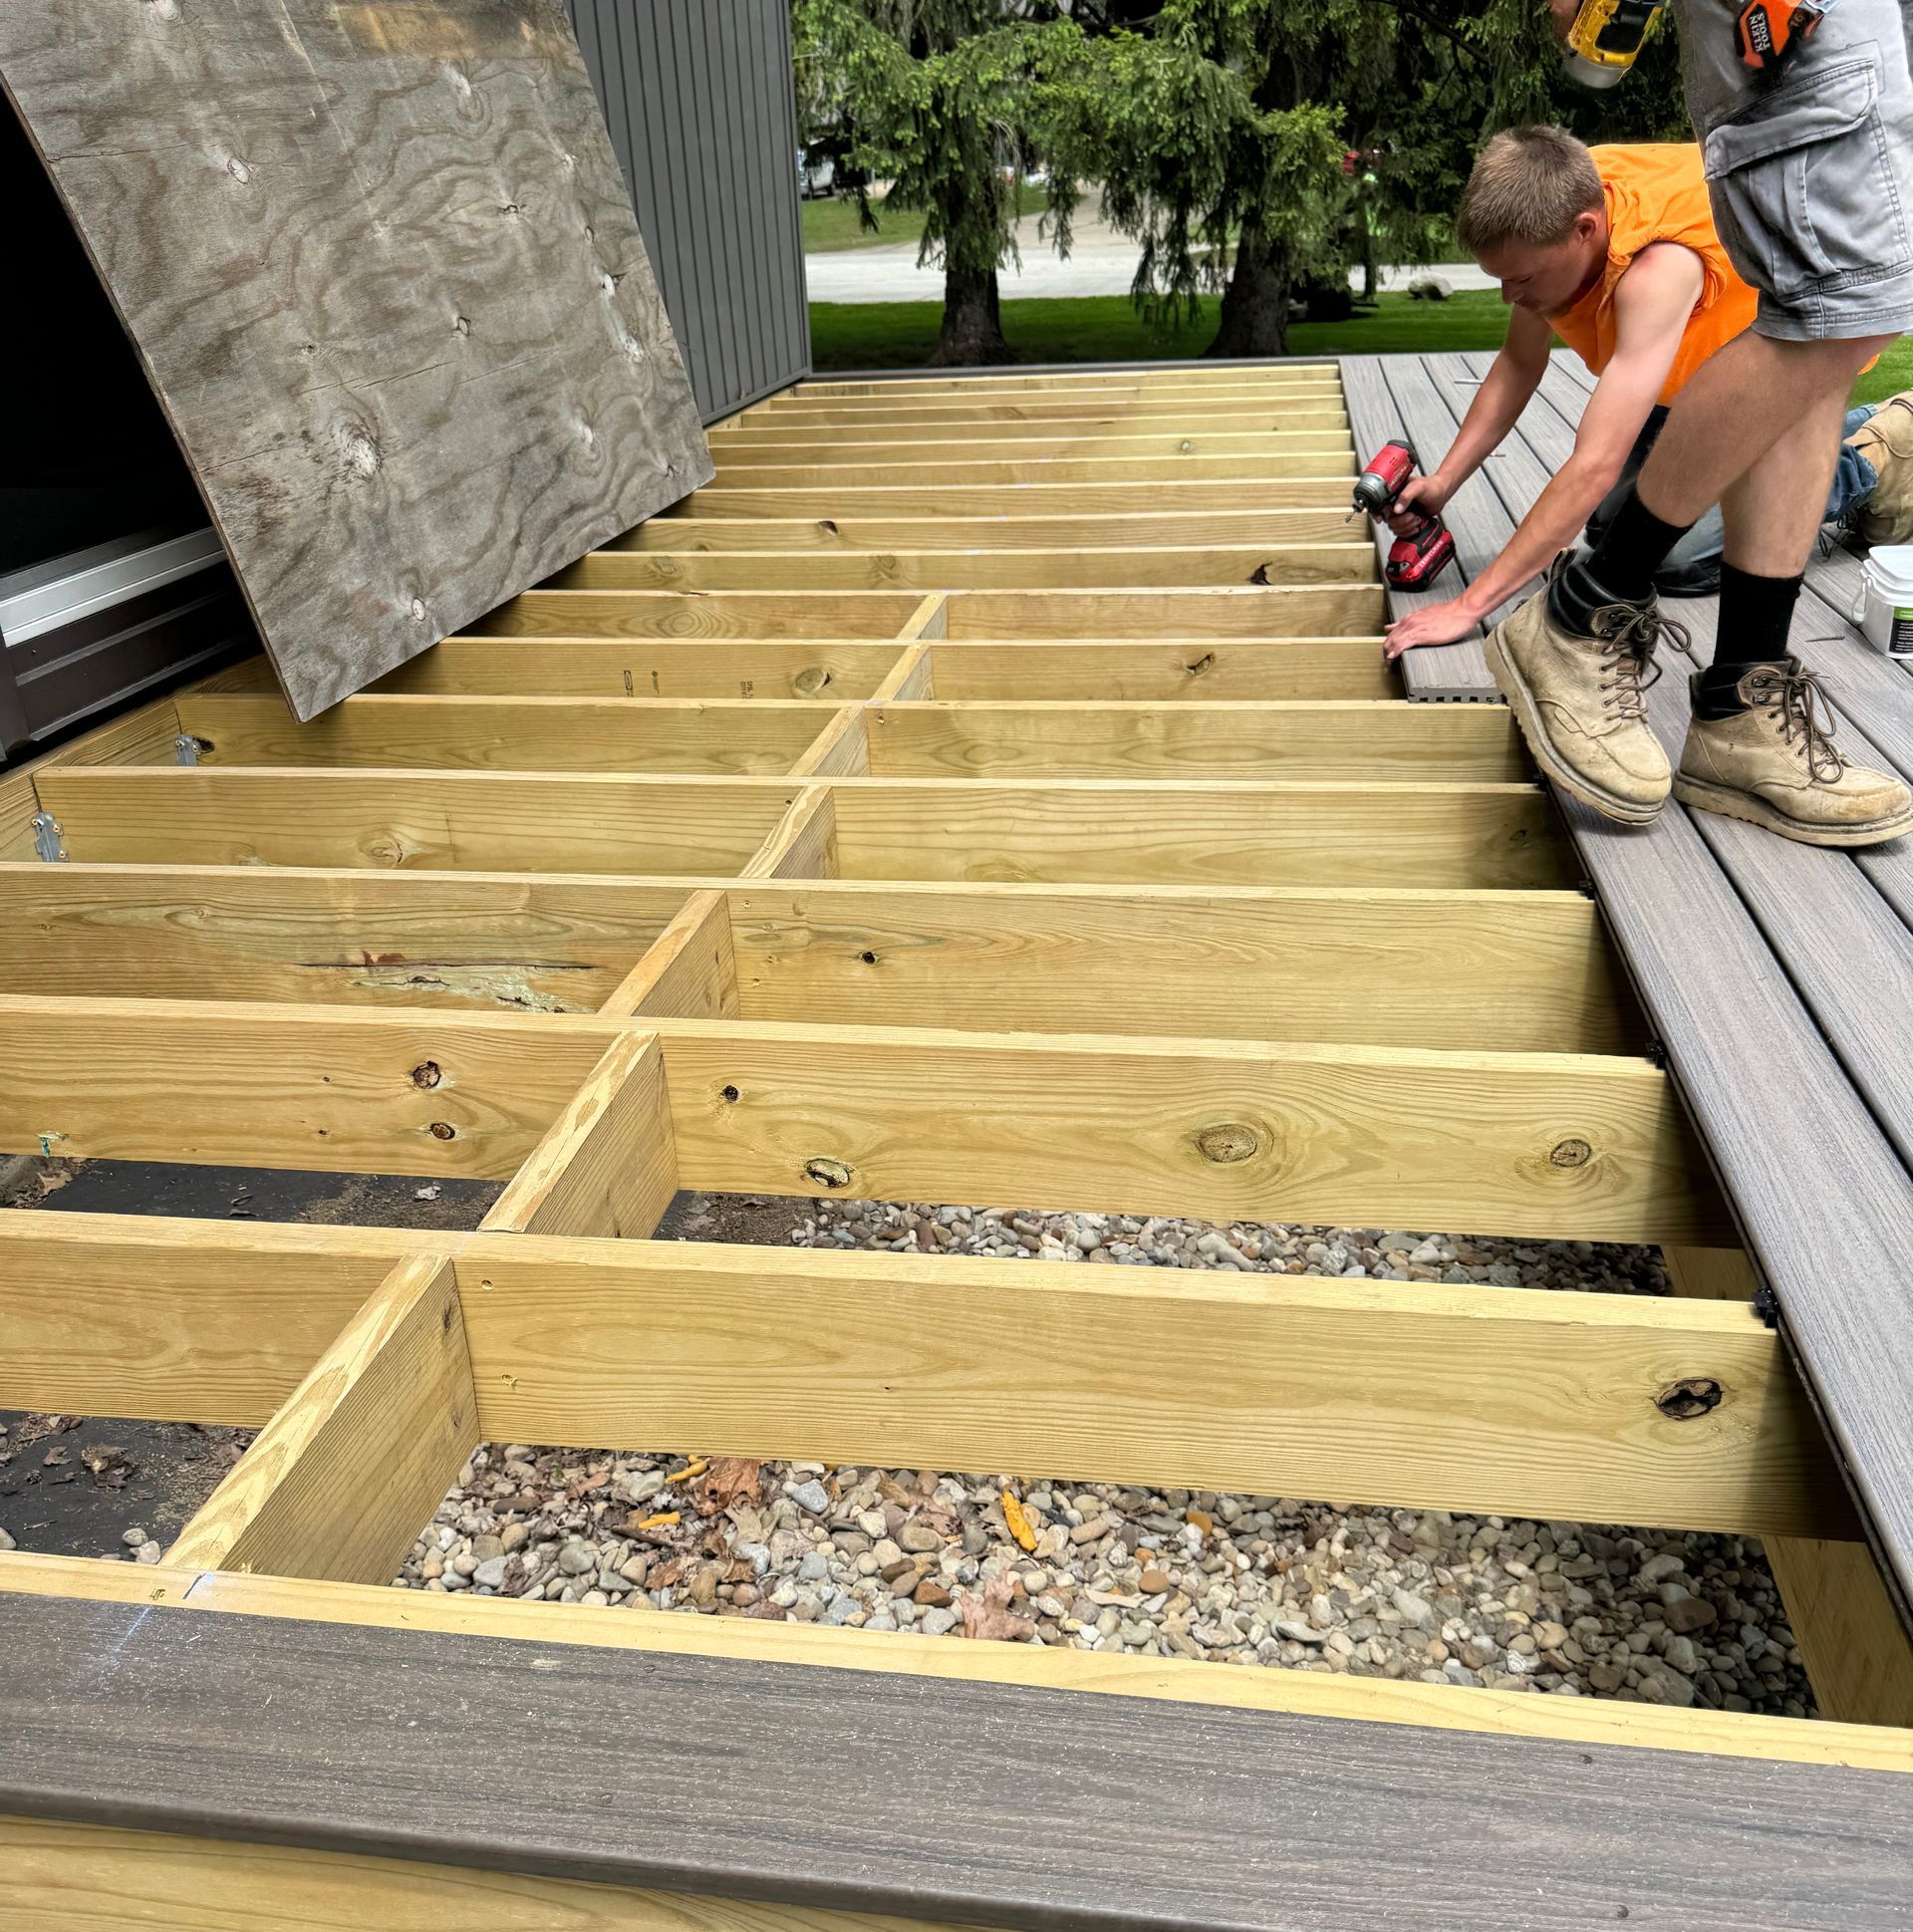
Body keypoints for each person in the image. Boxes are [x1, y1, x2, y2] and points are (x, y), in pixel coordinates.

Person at [1468, 0, 1913, 846]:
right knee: (1838, 304)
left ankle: (1741, 702)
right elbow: (1526, 376)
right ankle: (1582, 613)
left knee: (1825, 319)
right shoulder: (1601, 242)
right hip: (1788, 16)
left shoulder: (1620, 244)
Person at [1381, 131, 1902, 649]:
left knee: (1674, 557)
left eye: (1521, 280)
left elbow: (1594, 463)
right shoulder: (1558, 197)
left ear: (1585, 230)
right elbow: (1519, 363)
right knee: (1609, 530)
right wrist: (1444, 482)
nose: (1507, 296)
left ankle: (1876, 454)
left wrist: (1467, 608)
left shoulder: (1656, 269)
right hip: (1688, 378)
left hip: (1784, 367)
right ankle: (1856, 428)